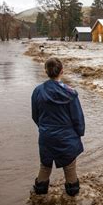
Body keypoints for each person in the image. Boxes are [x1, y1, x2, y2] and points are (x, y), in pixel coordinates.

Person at [31, 57, 85, 196]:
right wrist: (79, 134)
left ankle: (40, 199)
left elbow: (35, 116)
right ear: (62, 71)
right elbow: (77, 119)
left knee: (45, 167)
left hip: (46, 136)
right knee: (70, 168)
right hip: (66, 137)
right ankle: (73, 202)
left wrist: (44, 128)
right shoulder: (70, 93)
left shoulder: (38, 91)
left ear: (45, 71)